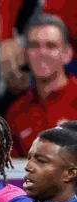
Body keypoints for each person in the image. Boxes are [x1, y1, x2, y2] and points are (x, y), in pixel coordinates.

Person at [6, 14, 77, 157]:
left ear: (67, 54)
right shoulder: (16, 112)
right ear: (25, 54)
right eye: (34, 46)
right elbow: (12, 173)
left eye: (51, 46)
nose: (42, 53)